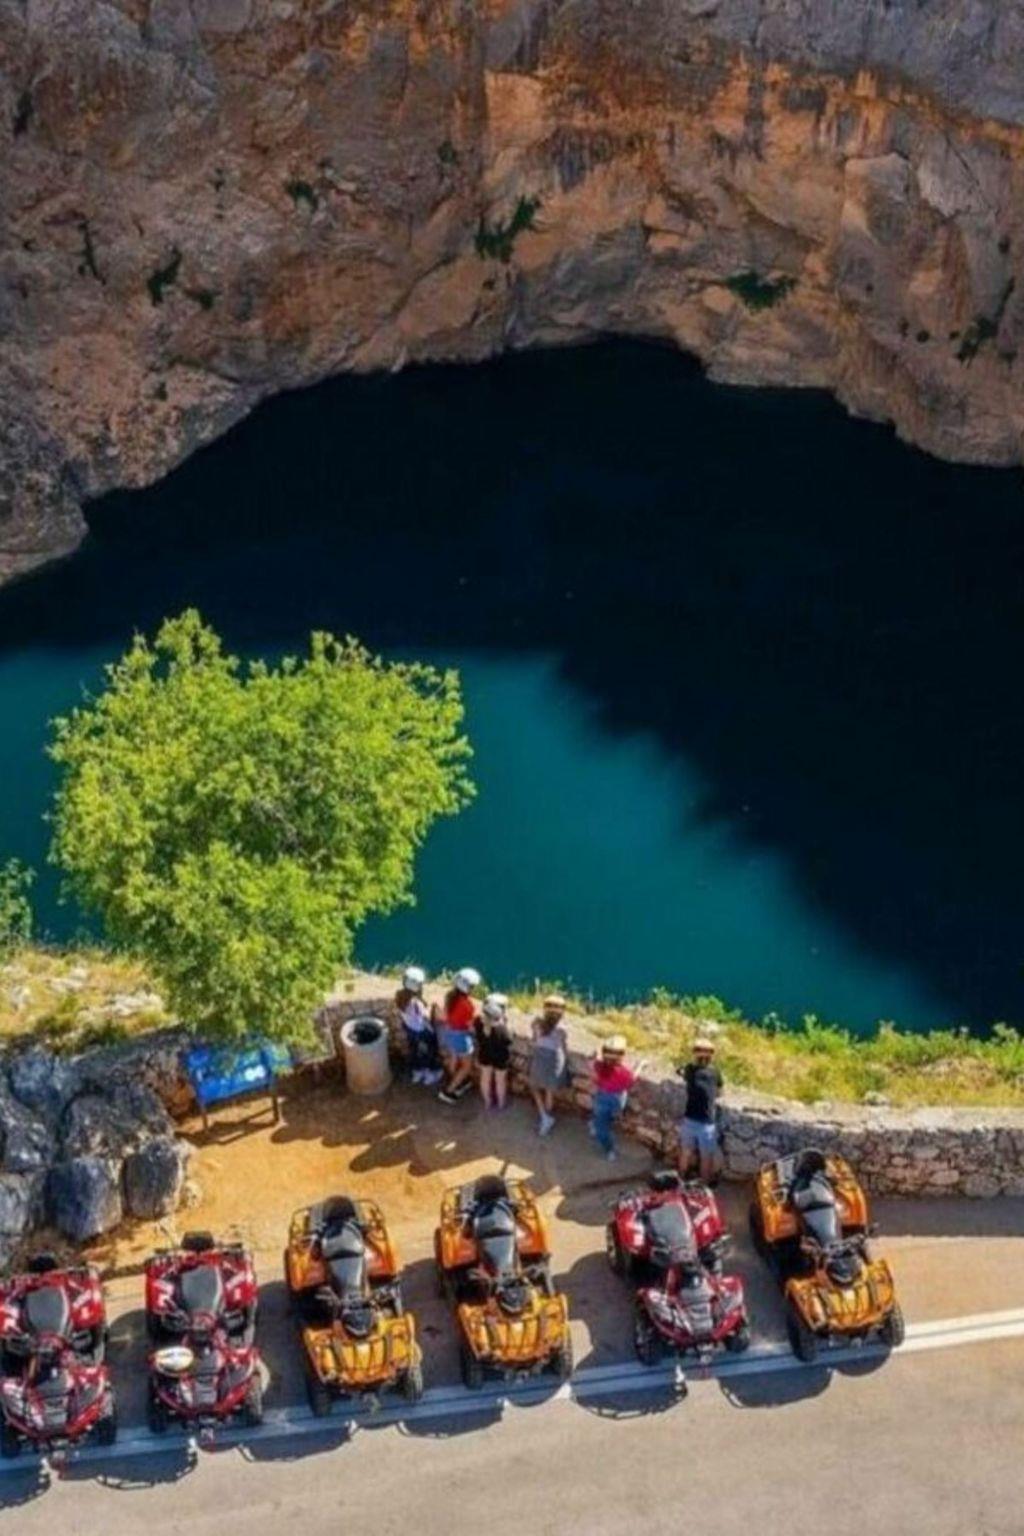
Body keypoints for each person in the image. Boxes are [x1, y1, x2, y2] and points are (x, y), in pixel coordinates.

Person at [676, 1036, 724, 1183]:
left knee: (686, 1152)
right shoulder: (715, 1072)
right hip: (707, 1122)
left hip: (689, 1119)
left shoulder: (690, 1070)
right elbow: (720, 1092)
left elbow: (680, 1070)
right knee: (706, 1157)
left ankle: (680, 1179)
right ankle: (704, 1185)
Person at [589, 1037, 645, 1161]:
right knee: (611, 1118)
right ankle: (607, 1144)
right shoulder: (624, 1072)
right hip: (618, 1099)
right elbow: (632, 1079)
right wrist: (640, 1065)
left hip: (602, 1098)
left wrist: (594, 1057)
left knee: (601, 1126)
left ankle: (608, 1147)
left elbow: (593, 1073)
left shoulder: (599, 1066)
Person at [434, 967, 481, 1105]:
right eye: (472, 986)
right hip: (461, 1037)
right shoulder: (468, 1006)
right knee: (466, 1067)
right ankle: (448, 1091)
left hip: (449, 1033)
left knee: (454, 1057)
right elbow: (470, 1026)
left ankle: (453, 1078)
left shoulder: (449, 996)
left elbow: (447, 1015)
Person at [394, 966, 442, 1085]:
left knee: (415, 1051)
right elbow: (424, 1017)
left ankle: (417, 1073)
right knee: (429, 1052)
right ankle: (429, 1075)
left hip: (410, 1029)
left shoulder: (399, 996)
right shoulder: (416, 1003)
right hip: (421, 1032)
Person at [529, 994, 569, 1136]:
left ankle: (544, 1117)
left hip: (540, 1056)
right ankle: (546, 1117)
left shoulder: (536, 1023)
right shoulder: (562, 1028)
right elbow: (563, 1046)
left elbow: (534, 1041)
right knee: (549, 1091)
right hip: (555, 1060)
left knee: (534, 1087)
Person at [475, 993, 512, 1109]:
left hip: (484, 1054)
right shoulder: (502, 1029)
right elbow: (508, 1041)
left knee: (485, 1079)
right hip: (500, 1058)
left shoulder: (478, 1022)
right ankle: (501, 1104)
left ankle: (487, 1102)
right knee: (500, 1082)